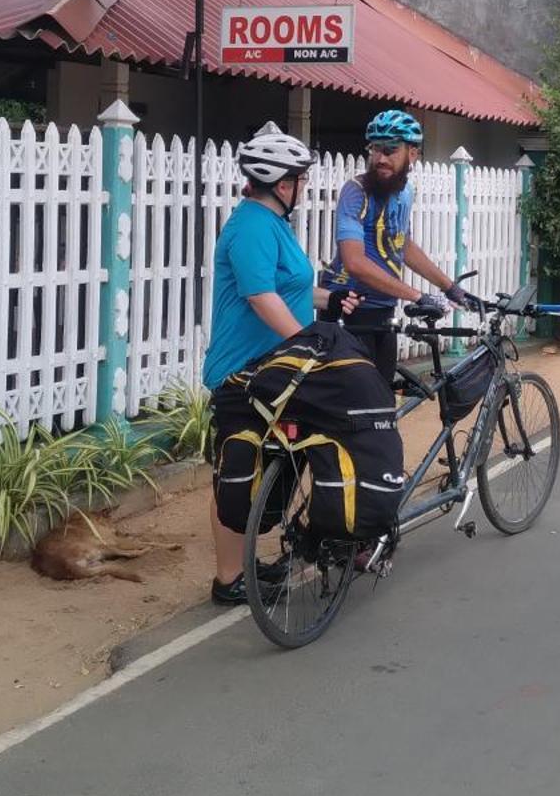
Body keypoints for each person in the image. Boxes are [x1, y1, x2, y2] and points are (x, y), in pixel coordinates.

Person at [200, 124, 357, 606]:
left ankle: (248, 560)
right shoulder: (250, 226)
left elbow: (286, 287)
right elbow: (260, 296)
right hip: (242, 372)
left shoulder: (274, 226)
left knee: (282, 461)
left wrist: (328, 299)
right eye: (300, 180)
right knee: (236, 473)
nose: (304, 188)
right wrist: (308, 338)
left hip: (276, 369)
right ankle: (228, 578)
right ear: (282, 184)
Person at [318, 109, 477, 386]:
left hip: (383, 308)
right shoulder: (356, 192)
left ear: (412, 154)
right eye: (375, 149)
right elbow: (354, 262)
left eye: (390, 150)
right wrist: (417, 296)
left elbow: (402, 244)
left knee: (383, 397)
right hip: (348, 306)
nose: (380, 158)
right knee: (353, 404)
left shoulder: (405, 192)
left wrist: (449, 287)